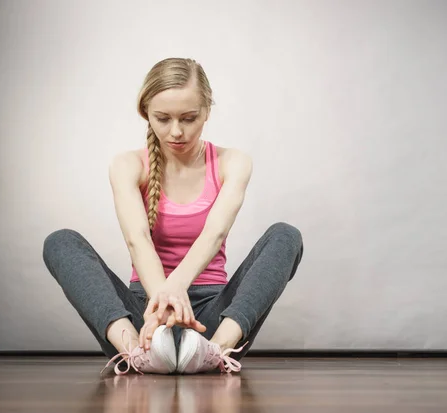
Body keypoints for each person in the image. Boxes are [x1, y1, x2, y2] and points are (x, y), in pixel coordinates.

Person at [42, 57, 304, 375]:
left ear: (207, 111)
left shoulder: (232, 162)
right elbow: (137, 240)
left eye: (189, 118)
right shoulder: (128, 165)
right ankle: (136, 351)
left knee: (285, 235)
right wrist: (162, 302)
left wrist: (176, 289)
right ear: (145, 113)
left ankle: (216, 351)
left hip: (210, 318)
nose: (176, 131)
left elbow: (215, 234)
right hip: (145, 315)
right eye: (163, 118)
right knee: (60, 242)